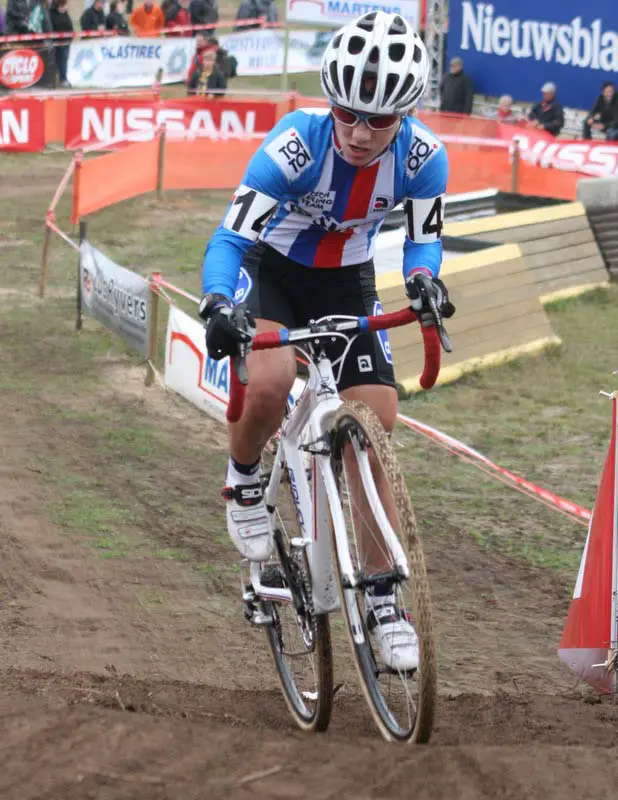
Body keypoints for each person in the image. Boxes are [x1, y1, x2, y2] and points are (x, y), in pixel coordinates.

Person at [198, 11, 454, 673]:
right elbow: (231, 239)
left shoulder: (424, 159)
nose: (362, 133)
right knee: (273, 381)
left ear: (406, 117)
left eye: (380, 120)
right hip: (272, 273)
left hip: (346, 282)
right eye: (348, 114)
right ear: (330, 101)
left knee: (376, 423)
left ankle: (382, 598)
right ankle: (246, 479)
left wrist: (425, 280)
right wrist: (222, 303)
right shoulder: (295, 147)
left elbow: (424, 239)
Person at [49, 0, 73, 86]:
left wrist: (70, 37)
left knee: (64, 62)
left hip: (66, 42)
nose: (67, 7)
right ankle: (53, 80)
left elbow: (70, 26)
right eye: (66, 5)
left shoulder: (65, 14)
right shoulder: (52, 14)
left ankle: (63, 79)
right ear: (60, 5)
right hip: (56, 43)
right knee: (54, 62)